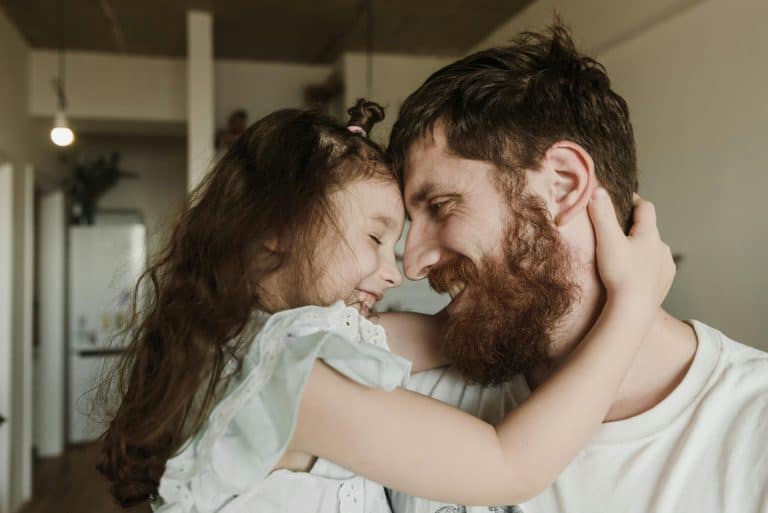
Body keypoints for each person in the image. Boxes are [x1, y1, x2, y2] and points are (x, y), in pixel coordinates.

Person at [96, 98, 672, 513]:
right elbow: (508, 465)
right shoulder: (288, 380)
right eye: (375, 238)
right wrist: (631, 306)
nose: (398, 270)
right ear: (273, 232)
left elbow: (446, 333)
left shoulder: (282, 343)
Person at [385, 22, 768, 513]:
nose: (412, 264)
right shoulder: (406, 398)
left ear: (564, 183)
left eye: (440, 206)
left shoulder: (752, 427)